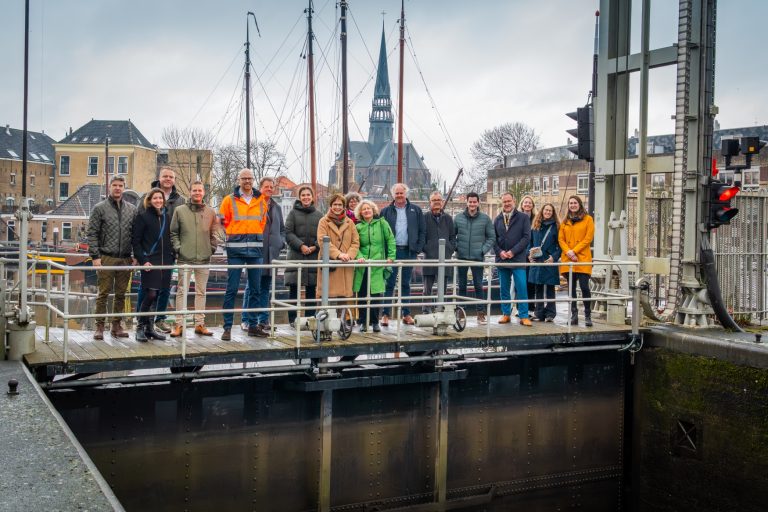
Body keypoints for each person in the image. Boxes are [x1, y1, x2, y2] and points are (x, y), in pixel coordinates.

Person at [219, 168, 268, 341]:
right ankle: (227, 327)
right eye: (244, 178)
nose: (247, 181)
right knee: (231, 289)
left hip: (255, 250)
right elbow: (222, 221)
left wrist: (252, 235)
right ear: (238, 180)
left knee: (255, 289)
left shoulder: (261, 200)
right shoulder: (229, 200)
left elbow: (262, 222)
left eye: (250, 178)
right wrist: (234, 234)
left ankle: (253, 326)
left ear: (253, 180)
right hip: (235, 250)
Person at [86, 176, 137, 340]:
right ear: (109, 187)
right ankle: (99, 326)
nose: (117, 188)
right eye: (114, 185)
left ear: (124, 188)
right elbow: (92, 233)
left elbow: (135, 235)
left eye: (120, 185)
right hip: (106, 257)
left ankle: (116, 326)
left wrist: (135, 255)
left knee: (121, 294)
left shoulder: (131, 209)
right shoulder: (99, 208)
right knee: (103, 293)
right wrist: (95, 256)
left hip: (125, 258)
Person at [136, 167, 186, 333]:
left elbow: (181, 226)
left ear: (174, 180)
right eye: (165, 176)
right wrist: (139, 255)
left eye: (171, 177)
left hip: (168, 252)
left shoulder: (180, 200)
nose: (168, 179)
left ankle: (160, 319)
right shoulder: (146, 197)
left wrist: (177, 249)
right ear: (159, 177)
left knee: (165, 288)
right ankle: (141, 319)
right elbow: (138, 226)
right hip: (150, 253)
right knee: (147, 289)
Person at [169, 180, 220, 337]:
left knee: (201, 292)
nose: (197, 193)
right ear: (190, 192)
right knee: (181, 291)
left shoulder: (211, 212)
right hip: (185, 258)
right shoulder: (180, 211)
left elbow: (214, 233)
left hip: (204, 259)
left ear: (203, 192)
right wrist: (179, 249)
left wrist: (211, 249)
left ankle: (200, 323)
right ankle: (179, 324)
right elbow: (173, 233)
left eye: (200, 190)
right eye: (194, 190)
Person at [380, 183, 425, 326]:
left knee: (406, 283)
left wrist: (417, 249)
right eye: (397, 193)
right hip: (392, 252)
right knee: (389, 283)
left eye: (401, 193)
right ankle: (385, 315)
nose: (399, 196)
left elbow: (422, 231)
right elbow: (381, 233)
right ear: (393, 195)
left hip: (408, 251)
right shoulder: (385, 211)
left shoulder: (416, 210)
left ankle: (406, 314)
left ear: (406, 194)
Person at [132, 189, 174, 342]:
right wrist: (143, 260)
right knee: (150, 294)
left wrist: (172, 256)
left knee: (158, 295)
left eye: (160, 198)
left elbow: (169, 238)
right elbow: (136, 242)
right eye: (155, 198)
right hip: (150, 261)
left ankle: (150, 328)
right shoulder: (143, 217)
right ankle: (140, 327)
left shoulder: (167, 217)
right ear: (149, 200)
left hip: (165, 261)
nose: (158, 201)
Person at [249, 177, 285, 333]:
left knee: (265, 287)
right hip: (258, 251)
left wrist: (281, 242)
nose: (269, 189)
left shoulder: (277, 207)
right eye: (266, 187)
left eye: (271, 187)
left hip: (272, 253)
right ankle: (248, 320)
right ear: (260, 188)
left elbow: (282, 229)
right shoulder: (254, 204)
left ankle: (263, 320)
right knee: (253, 287)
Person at [353, 199, 395, 332]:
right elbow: (354, 245)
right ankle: (363, 322)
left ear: (373, 210)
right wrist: (359, 257)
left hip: (377, 264)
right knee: (362, 294)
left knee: (376, 294)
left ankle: (375, 322)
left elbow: (390, 239)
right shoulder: (358, 227)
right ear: (360, 212)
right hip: (363, 265)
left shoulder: (382, 223)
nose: (366, 211)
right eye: (364, 209)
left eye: (368, 208)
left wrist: (391, 257)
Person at [453, 192, 494, 324]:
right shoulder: (458, 218)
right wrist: (457, 248)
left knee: (478, 285)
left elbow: (491, 237)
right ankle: (461, 313)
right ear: (466, 202)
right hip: (462, 256)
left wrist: (482, 250)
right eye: (470, 202)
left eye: (474, 202)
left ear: (478, 203)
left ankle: (480, 314)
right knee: (462, 285)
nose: (472, 204)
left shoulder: (485, 219)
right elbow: (452, 236)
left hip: (477, 257)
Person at [284, 186, 323, 326]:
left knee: (311, 289)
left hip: (313, 256)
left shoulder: (319, 215)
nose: (306, 197)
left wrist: (315, 246)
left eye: (308, 195)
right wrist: (301, 246)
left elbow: (323, 234)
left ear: (312, 197)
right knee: (294, 290)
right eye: (303, 195)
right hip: (296, 255)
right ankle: (292, 320)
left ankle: (309, 319)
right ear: (299, 197)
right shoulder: (293, 214)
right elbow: (288, 233)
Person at [494, 192, 533, 326]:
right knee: (504, 288)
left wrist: (513, 252)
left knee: (521, 287)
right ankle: (506, 314)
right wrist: (500, 252)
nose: (507, 204)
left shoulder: (523, 218)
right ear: (502, 203)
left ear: (514, 201)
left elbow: (526, 238)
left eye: (509, 201)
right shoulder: (497, 219)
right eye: (504, 202)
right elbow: (493, 239)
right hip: (502, 259)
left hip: (518, 259)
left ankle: (524, 315)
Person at [316, 194, 359, 311]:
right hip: (330, 263)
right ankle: (323, 319)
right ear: (330, 206)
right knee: (326, 296)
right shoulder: (323, 221)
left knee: (344, 299)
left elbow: (355, 242)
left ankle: (342, 320)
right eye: (335, 204)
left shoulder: (350, 223)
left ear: (344, 207)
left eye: (340, 205)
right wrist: (339, 254)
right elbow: (322, 240)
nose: (337, 207)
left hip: (345, 264)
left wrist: (349, 255)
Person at [559, 195, 595, 327]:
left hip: (582, 258)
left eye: (575, 203)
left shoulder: (588, 219)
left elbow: (588, 238)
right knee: (571, 288)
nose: (573, 205)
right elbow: (561, 239)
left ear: (579, 204)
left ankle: (587, 315)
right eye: (570, 203)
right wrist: (568, 252)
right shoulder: (565, 221)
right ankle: (574, 315)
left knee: (585, 287)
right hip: (568, 259)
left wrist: (574, 251)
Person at [422, 191, 456, 313]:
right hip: (429, 257)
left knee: (443, 287)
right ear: (430, 202)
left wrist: (450, 248)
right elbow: (422, 236)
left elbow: (452, 236)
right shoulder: (425, 218)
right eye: (434, 200)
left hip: (445, 257)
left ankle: (441, 310)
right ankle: (426, 310)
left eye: (439, 200)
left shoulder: (448, 219)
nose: (436, 202)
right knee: (427, 288)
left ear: (442, 202)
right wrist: (427, 248)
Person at [527, 203, 561, 322]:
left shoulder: (556, 226)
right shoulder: (535, 225)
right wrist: (529, 255)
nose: (547, 212)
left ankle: (550, 314)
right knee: (538, 287)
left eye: (550, 211)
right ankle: (539, 313)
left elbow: (560, 246)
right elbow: (530, 243)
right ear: (542, 211)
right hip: (537, 259)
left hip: (548, 260)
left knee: (550, 287)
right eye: (546, 210)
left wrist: (554, 257)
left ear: (553, 213)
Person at [518, 194, 538, 316]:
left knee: (531, 282)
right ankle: (520, 308)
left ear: (532, 205)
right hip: (520, 254)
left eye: (530, 202)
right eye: (525, 202)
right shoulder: (517, 218)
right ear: (522, 204)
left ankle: (530, 308)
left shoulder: (536, 219)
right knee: (520, 283)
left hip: (532, 255)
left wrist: (532, 253)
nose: (527, 204)